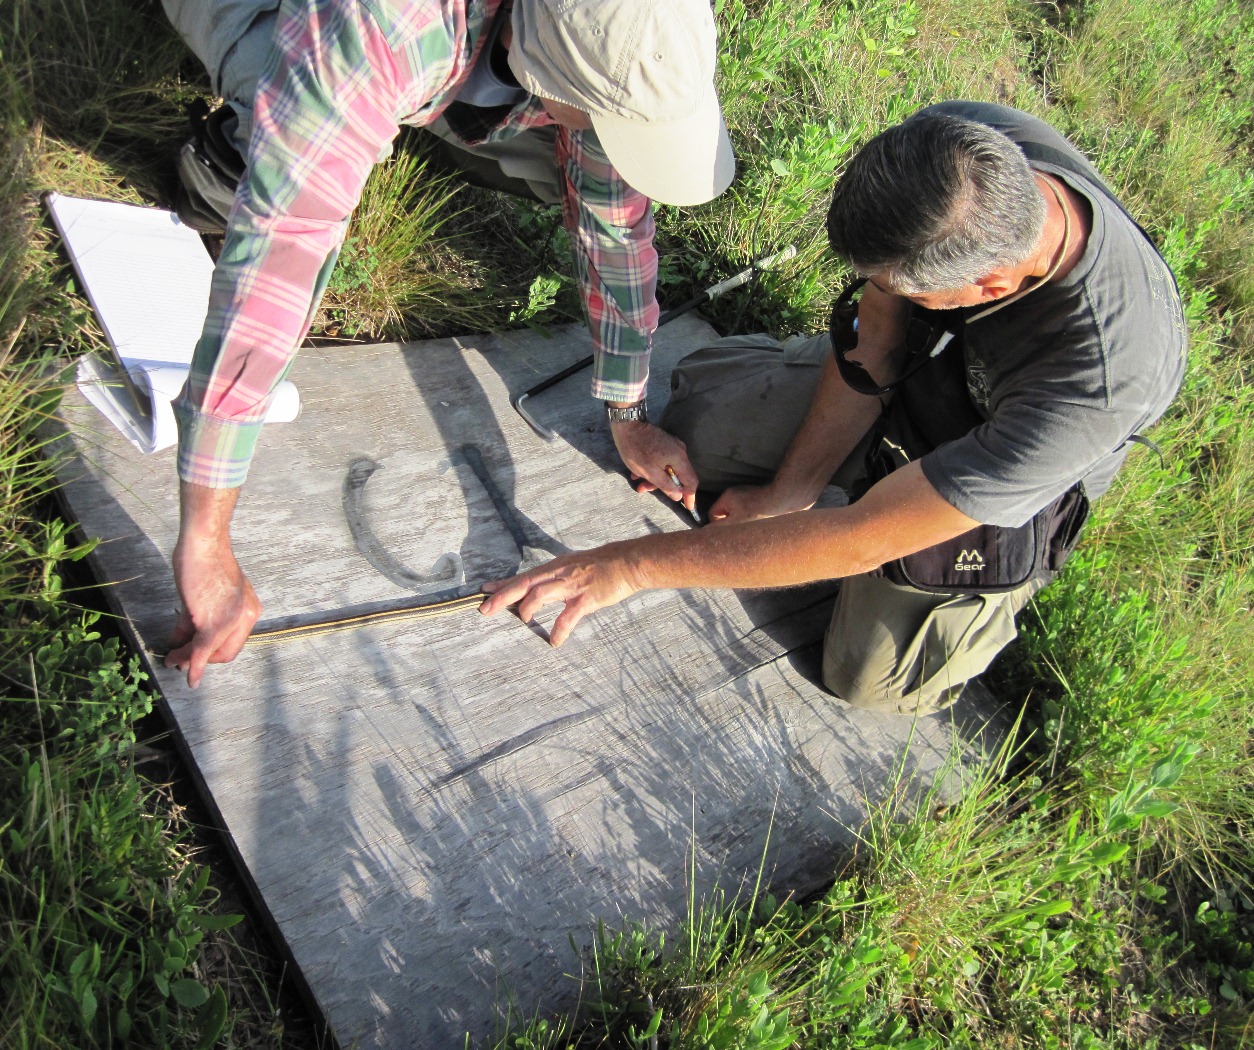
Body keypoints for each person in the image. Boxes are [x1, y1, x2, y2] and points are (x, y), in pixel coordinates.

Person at [480, 101, 1187, 716]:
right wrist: (789, 495)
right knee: (698, 428)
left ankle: (967, 614)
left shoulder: (1097, 381)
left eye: (901, 286)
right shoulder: (959, 148)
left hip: (1005, 476)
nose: (879, 290)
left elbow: (866, 536)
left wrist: (630, 566)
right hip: (924, 380)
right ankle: (846, 469)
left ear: (993, 283)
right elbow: (876, 341)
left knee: (864, 678)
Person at [161, 0, 736, 687]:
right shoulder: (391, 22)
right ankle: (247, 139)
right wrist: (204, 537)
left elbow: (615, 231)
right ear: (551, 64)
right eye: (601, 114)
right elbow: (283, 254)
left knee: (582, 159)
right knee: (271, 135)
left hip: (486, 55)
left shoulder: (601, 33)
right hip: (302, 22)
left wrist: (627, 409)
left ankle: (385, 110)